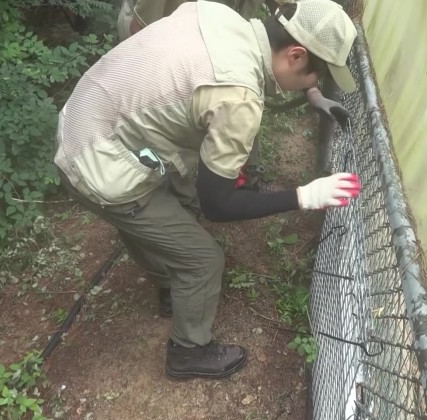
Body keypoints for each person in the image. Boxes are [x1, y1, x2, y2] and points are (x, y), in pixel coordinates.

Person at [53, 0, 360, 380]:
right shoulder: (238, 97)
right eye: (319, 75)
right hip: (93, 161)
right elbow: (218, 204)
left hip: (81, 118)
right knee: (202, 260)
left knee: (165, 212)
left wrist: (313, 97)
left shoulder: (217, 16)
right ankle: (188, 352)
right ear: (296, 55)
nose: (317, 83)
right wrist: (304, 196)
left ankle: (170, 285)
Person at [117, 0, 351, 188]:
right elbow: (140, 28)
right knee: (179, 122)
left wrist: (312, 92)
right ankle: (158, 182)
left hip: (221, 39)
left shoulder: (244, 94)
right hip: (155, 37)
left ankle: (235, 174)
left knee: (235, 106)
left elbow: (291, 29)